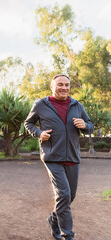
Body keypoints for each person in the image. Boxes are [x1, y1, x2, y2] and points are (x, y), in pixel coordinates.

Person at [24, 74, 94, 240]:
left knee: (70, 196)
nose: (64, 88)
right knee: (63, 194)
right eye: (60, 85)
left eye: (67, 85)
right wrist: (39, 133)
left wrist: (85, 126)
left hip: (73, 156)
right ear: (52, 87)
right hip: (52, 157)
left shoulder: (77, 105)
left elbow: (90, 126)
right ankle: (67, 235)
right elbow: (29, 123)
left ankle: (53, 219)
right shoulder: (41, 104)